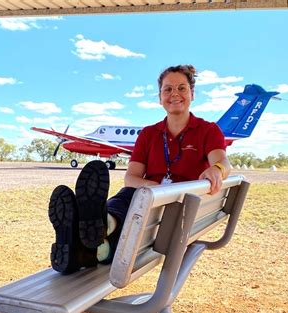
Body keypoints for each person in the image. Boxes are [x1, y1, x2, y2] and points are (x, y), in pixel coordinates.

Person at [48, 64, 231, 274]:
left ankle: (91, 230)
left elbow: (223, 162)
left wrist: (217, 169)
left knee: (136, 206)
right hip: (145, 203)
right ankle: (98, 231)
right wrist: (155, 190)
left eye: (181, 88)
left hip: (178, 208)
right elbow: (132, 178)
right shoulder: (148, 134)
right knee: (130, 195)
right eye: (167, 89)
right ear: (160, 96)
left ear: (192, 93)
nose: (174, 94)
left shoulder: (208, 130)